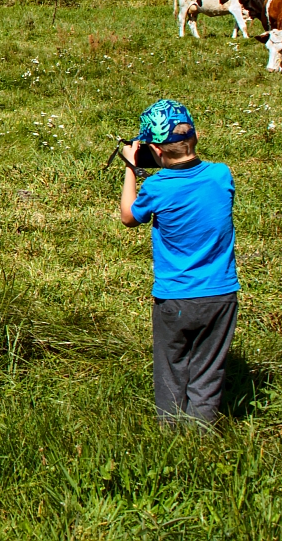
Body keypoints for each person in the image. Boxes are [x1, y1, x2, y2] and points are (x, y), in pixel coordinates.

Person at [118, 99, 240, 428]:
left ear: (155, 152)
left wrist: (132, 168)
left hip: (175, 297)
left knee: (171, 368)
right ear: (195, 137)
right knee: (208, 371)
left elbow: (129, 216)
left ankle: (171, 437)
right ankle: (201, 437)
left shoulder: (156, 186)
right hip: (221, 295)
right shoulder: (221, 175)